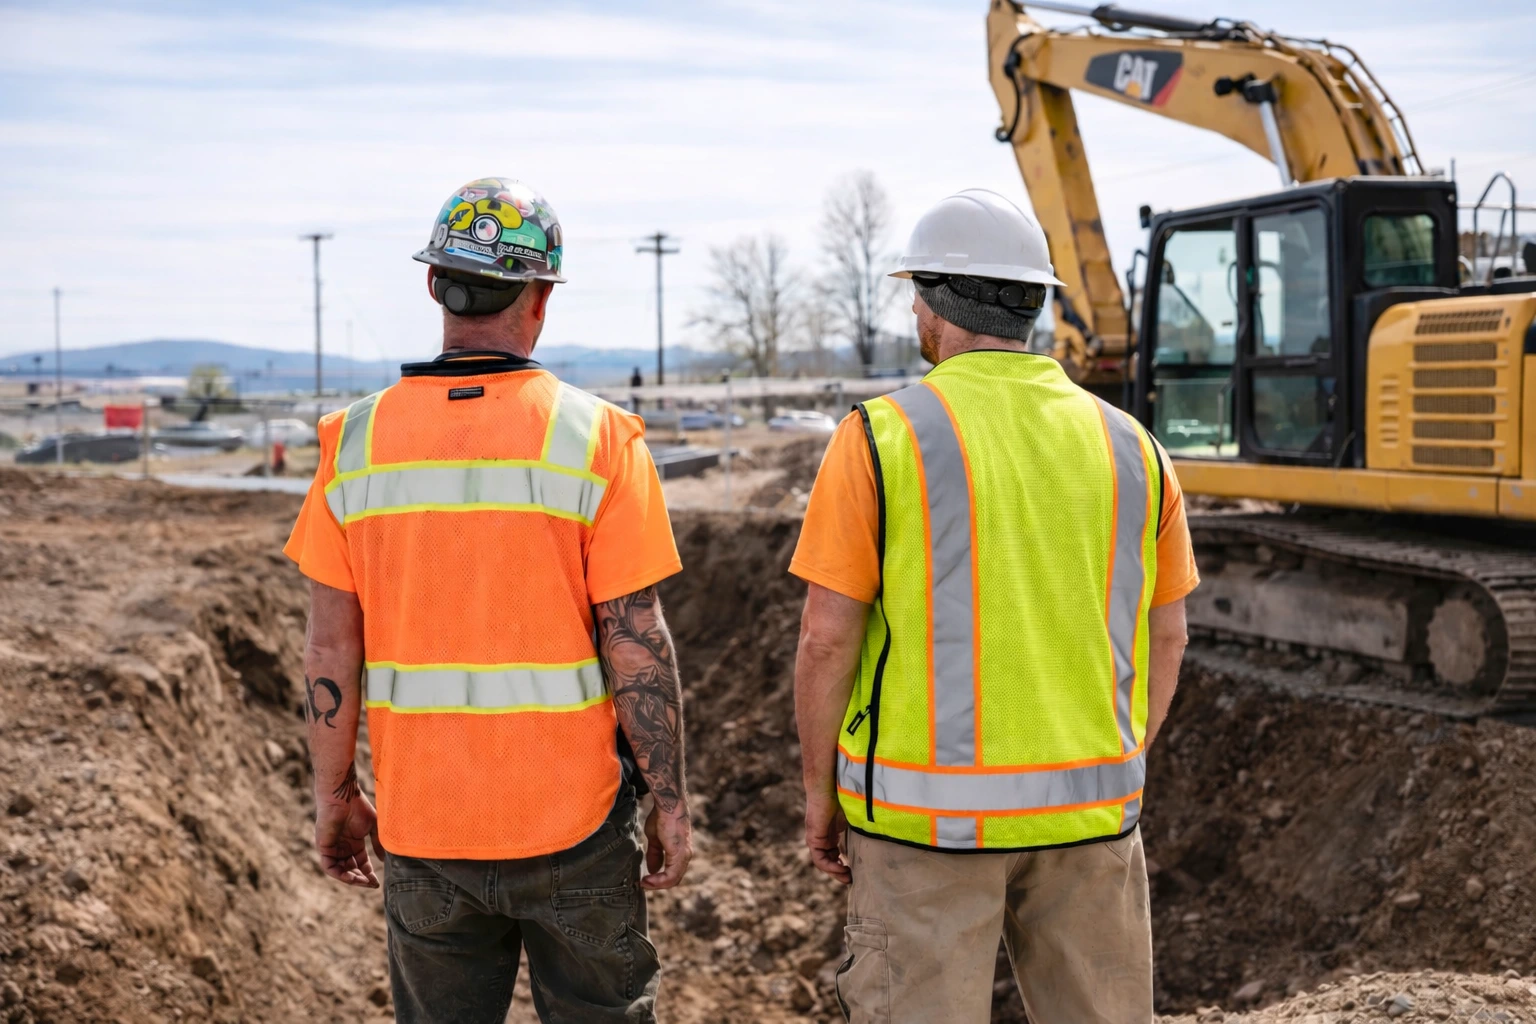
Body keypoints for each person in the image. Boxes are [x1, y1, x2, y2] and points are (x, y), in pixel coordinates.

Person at [282, 177, 692, 1024]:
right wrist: (670, 799)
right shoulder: (601, 439)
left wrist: (335, 795)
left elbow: (329, 648)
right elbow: (635, 638)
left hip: (425, 830)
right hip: (576, 827)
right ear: (540, 298)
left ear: (436, 284)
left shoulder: (351, 443)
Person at [790, 188, 1198, 1023]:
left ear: (938, 304)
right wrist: (1115, 761)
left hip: (922, 831)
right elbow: (1170, 637)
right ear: (1034, 302)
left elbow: (827, 640)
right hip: (1090, 821)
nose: (914, 311)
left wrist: (819, 791)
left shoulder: (879, 437)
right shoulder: (1134, 446)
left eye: (916, 294)